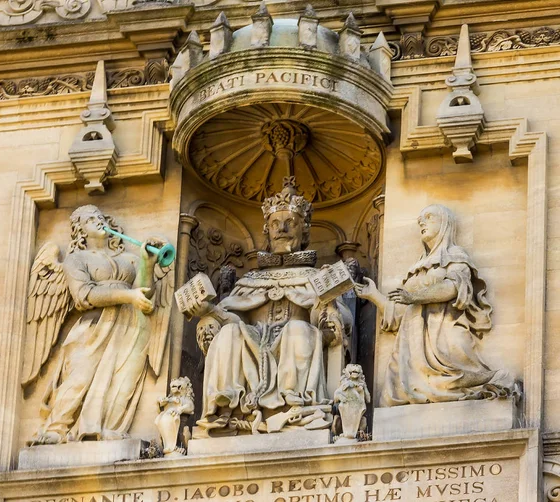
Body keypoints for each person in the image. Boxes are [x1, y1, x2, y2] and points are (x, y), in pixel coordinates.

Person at [193, 178, 351, 435]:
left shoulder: (316, 277)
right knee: (229, 334)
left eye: (291, 223)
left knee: (298, 330)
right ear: (266, 231)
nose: (282, 229)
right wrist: (211, 316)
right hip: (254, 340)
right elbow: (232, 317)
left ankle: (296, 407)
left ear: (304, 232)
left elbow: (337, 322)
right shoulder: (250, 280)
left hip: (295, 339)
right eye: (275, 224)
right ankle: (225, 407)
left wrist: (328, 307)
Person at [355, 204, 519, 406]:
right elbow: (400, 314)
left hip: (443, 337)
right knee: (390, 399)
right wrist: (373, 296)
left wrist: (413, 297)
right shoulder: (417, 267)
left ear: (444, 224)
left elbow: (453, 288)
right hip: (410, 347)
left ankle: (496, 379)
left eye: (429, 217)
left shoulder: (456, 256)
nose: (421, 222)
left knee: (454, 381)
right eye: (419, 220)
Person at [29, 205, 164, 444]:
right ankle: (56, 428)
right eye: (91, 219)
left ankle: (108, 429)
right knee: (80, 375)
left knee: (123, 379)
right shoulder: (76, 260)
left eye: (100, 217)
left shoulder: (128, 259)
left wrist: (147, 263)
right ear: (81, 231)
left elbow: (145, 291)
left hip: (130, 326)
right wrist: (127, 297)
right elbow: (84, 296)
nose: (98, 221)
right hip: (93, 327)